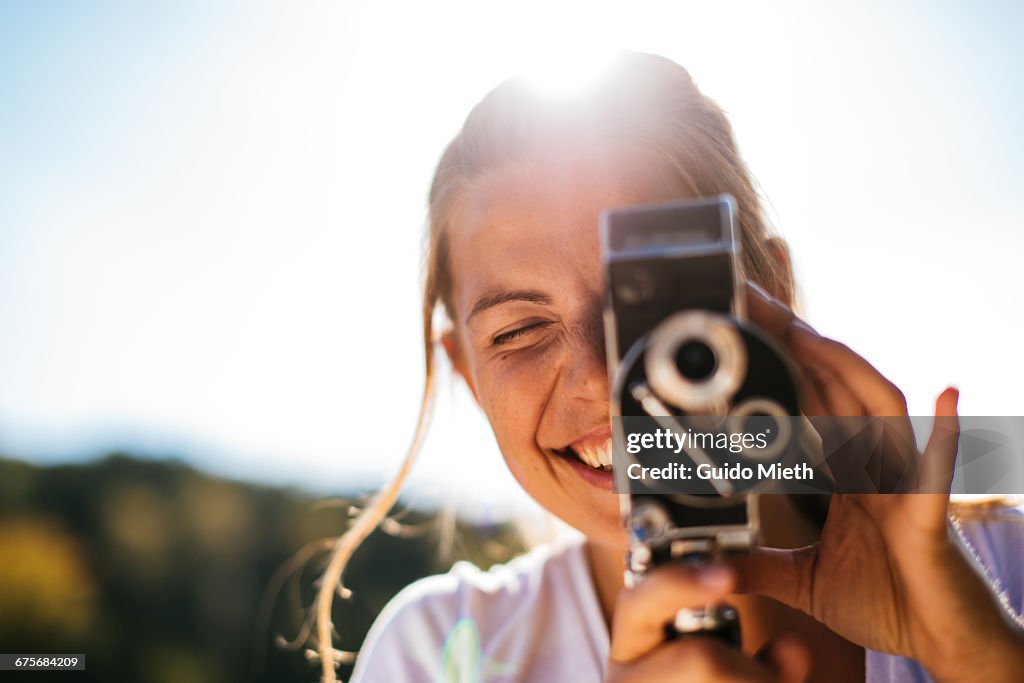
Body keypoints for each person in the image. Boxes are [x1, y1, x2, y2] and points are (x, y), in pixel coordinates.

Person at [337, 51, 1024, 682]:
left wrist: (984, 657)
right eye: (519, 330)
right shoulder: (435, 653)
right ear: (468, 375)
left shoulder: (1005, 572)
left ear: (770, 295)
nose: (604, 379)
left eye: (653, 301)